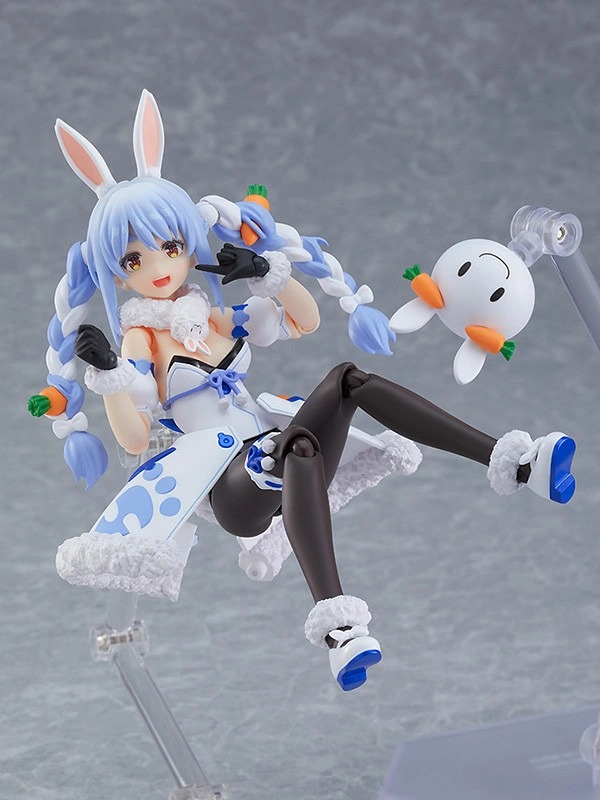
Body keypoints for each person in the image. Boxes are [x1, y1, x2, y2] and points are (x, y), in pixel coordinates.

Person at [29, 90, 576, 691]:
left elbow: (304, 319)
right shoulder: (141, 339)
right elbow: (136, 438)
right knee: (296, 446)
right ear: (115, 272)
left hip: (270, 444)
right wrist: (110, 376)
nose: (158, 267)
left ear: (187, 244)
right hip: (224, 485)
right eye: (134, 260)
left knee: (346, 379)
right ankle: (340, 631)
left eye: (171, 247)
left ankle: (516, 462)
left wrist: (266, 272)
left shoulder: (211, 318)